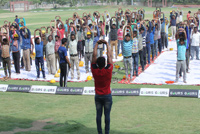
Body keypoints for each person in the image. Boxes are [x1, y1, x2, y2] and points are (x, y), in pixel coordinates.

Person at [91, 39, 113, 134]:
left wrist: (96, 44)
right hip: (107, 95)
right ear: (105, 63)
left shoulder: (94, 70)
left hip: (98, 96)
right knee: (107, 115)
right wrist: (107, 44)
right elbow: (110, 56)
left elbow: (93, 56)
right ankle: (106, 132)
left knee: (98, 115)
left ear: (97, 63)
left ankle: (100, 132)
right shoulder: (108, 70)